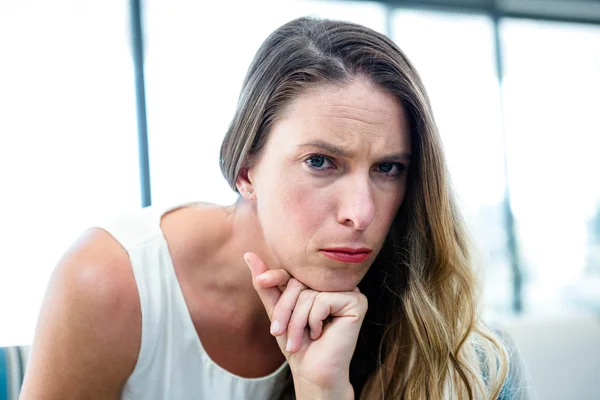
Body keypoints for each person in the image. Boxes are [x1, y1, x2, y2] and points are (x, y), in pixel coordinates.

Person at [19, 17, 530, 400]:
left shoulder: (456, 352)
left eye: (388, 169)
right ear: (245, 171)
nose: (361, 213)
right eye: (320, 162)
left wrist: (322, 391)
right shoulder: (111, 281)